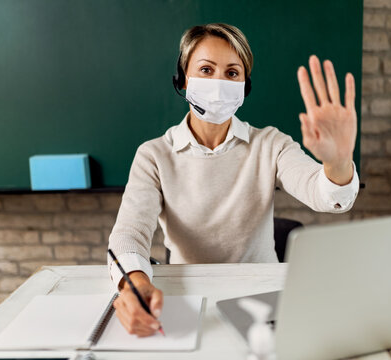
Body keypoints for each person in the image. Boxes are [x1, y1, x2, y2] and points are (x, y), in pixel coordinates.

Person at [108, 23, 359, 337]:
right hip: (191, 299)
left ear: (245, 85)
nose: (218, 82)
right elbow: (130, 232)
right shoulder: (154, 154)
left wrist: (338, 160)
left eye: (231, 73)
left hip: (262, 299)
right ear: (184, 79)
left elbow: (326, 196)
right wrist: (136, 285)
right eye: (206, 69)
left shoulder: (270, 143)